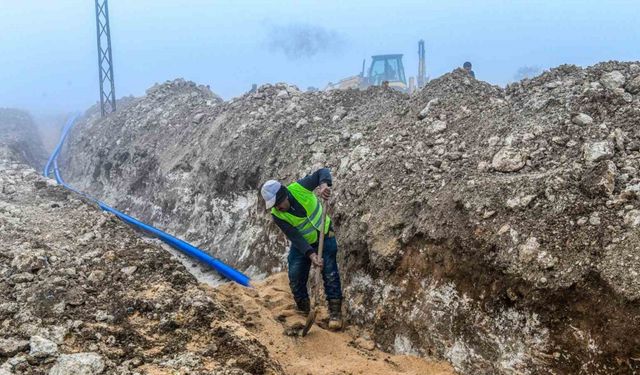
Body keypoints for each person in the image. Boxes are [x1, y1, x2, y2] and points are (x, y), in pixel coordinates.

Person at [260, 168, 343, 330]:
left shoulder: (300, 188)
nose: (277, 208)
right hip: (303, 244)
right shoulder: (277, 215)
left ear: (284, 195)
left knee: (330, 271)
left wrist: (324, 185)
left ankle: (335, 313)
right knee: (295, 273)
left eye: (278, 203)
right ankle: (304, 308)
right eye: (274, 206)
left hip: (325, 235)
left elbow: (322, 172)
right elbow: (294, 236)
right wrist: (311, 255)